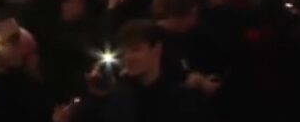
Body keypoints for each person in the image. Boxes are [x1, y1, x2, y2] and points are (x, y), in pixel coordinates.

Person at [65, 19, 213, 122]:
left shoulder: (181, 98)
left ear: (156, 49)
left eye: (136, 50)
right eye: (125, 51)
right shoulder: (115, 96)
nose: (128, 58)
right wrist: (95, 97)